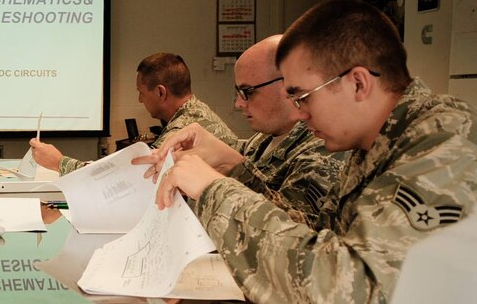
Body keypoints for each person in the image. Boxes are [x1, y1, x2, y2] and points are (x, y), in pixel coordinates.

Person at [153, 0, 477, 304]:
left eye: (303, 96)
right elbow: (315, 236)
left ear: (358, 83)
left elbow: (354, 294)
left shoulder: (444, 145)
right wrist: (229, 172)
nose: (299, 112)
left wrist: (214, 190)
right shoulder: (376, 143)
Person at [139, 35, 344, 220]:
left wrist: (222, 176)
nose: (238, 103)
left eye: (247, 91)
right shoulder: (263, 139)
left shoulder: (323, 149)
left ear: (288, 84)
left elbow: (295, 235)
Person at [30, 52, 237, 174]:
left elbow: (131, 179)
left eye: (141, 93)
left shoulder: (184, 128)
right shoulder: (194, 113)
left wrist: (59, 163)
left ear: (160, 92)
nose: (139, 100)